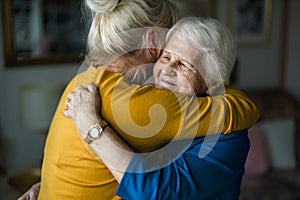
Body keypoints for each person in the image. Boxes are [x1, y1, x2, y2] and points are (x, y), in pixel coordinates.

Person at [18, 1, 259, 199]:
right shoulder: (138, 103)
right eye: (165, 57)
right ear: (154, 45)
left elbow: (153, 191)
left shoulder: (89, 81)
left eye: (184, 64)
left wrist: (91, 129)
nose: (167, 70)